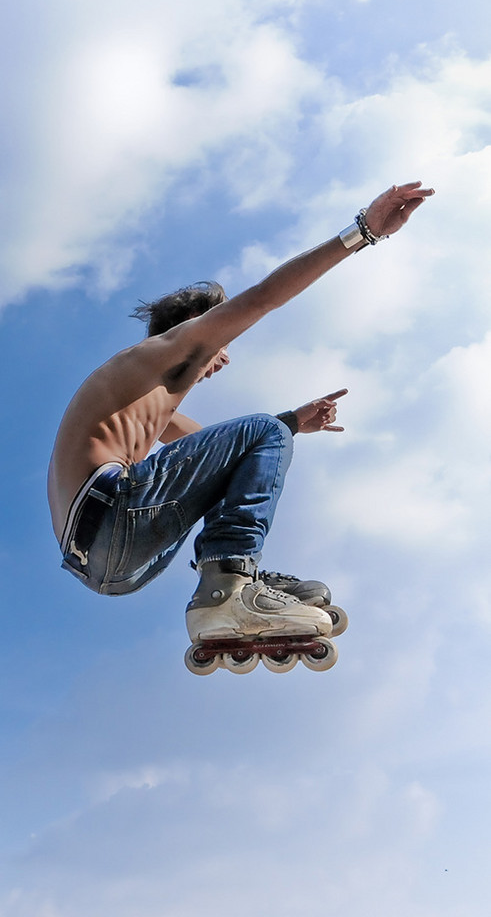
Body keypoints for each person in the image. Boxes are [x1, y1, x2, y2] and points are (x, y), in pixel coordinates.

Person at [48, 181, 434, 664]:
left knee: (265, 432)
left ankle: (232, 579)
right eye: (221, 343)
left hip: (105, 564)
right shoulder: (161, 352)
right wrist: (363, 232)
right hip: (110, 514)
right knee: (264, 430)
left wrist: (294, 421)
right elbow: (264, 298)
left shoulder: (145, 404)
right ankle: (228, 579)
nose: (223, 359)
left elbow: (218, 451)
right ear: (197, 327)